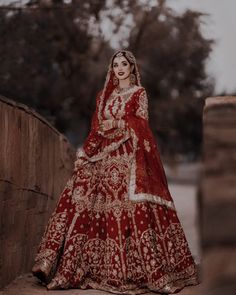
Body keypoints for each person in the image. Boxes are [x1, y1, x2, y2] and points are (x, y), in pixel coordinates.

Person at [32, 50, 199, 294]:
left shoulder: (139, 94)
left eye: (124, 64)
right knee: (76, 192)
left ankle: (143, 271)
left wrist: (120, 123)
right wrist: (86, 152)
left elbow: (142, 125)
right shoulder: (104, 96)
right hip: (101, 154)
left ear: (132, 68)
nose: (119, 68)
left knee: (130, 207)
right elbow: (96, 127)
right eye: (115, 64)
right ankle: (58, 267)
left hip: (128, 156)